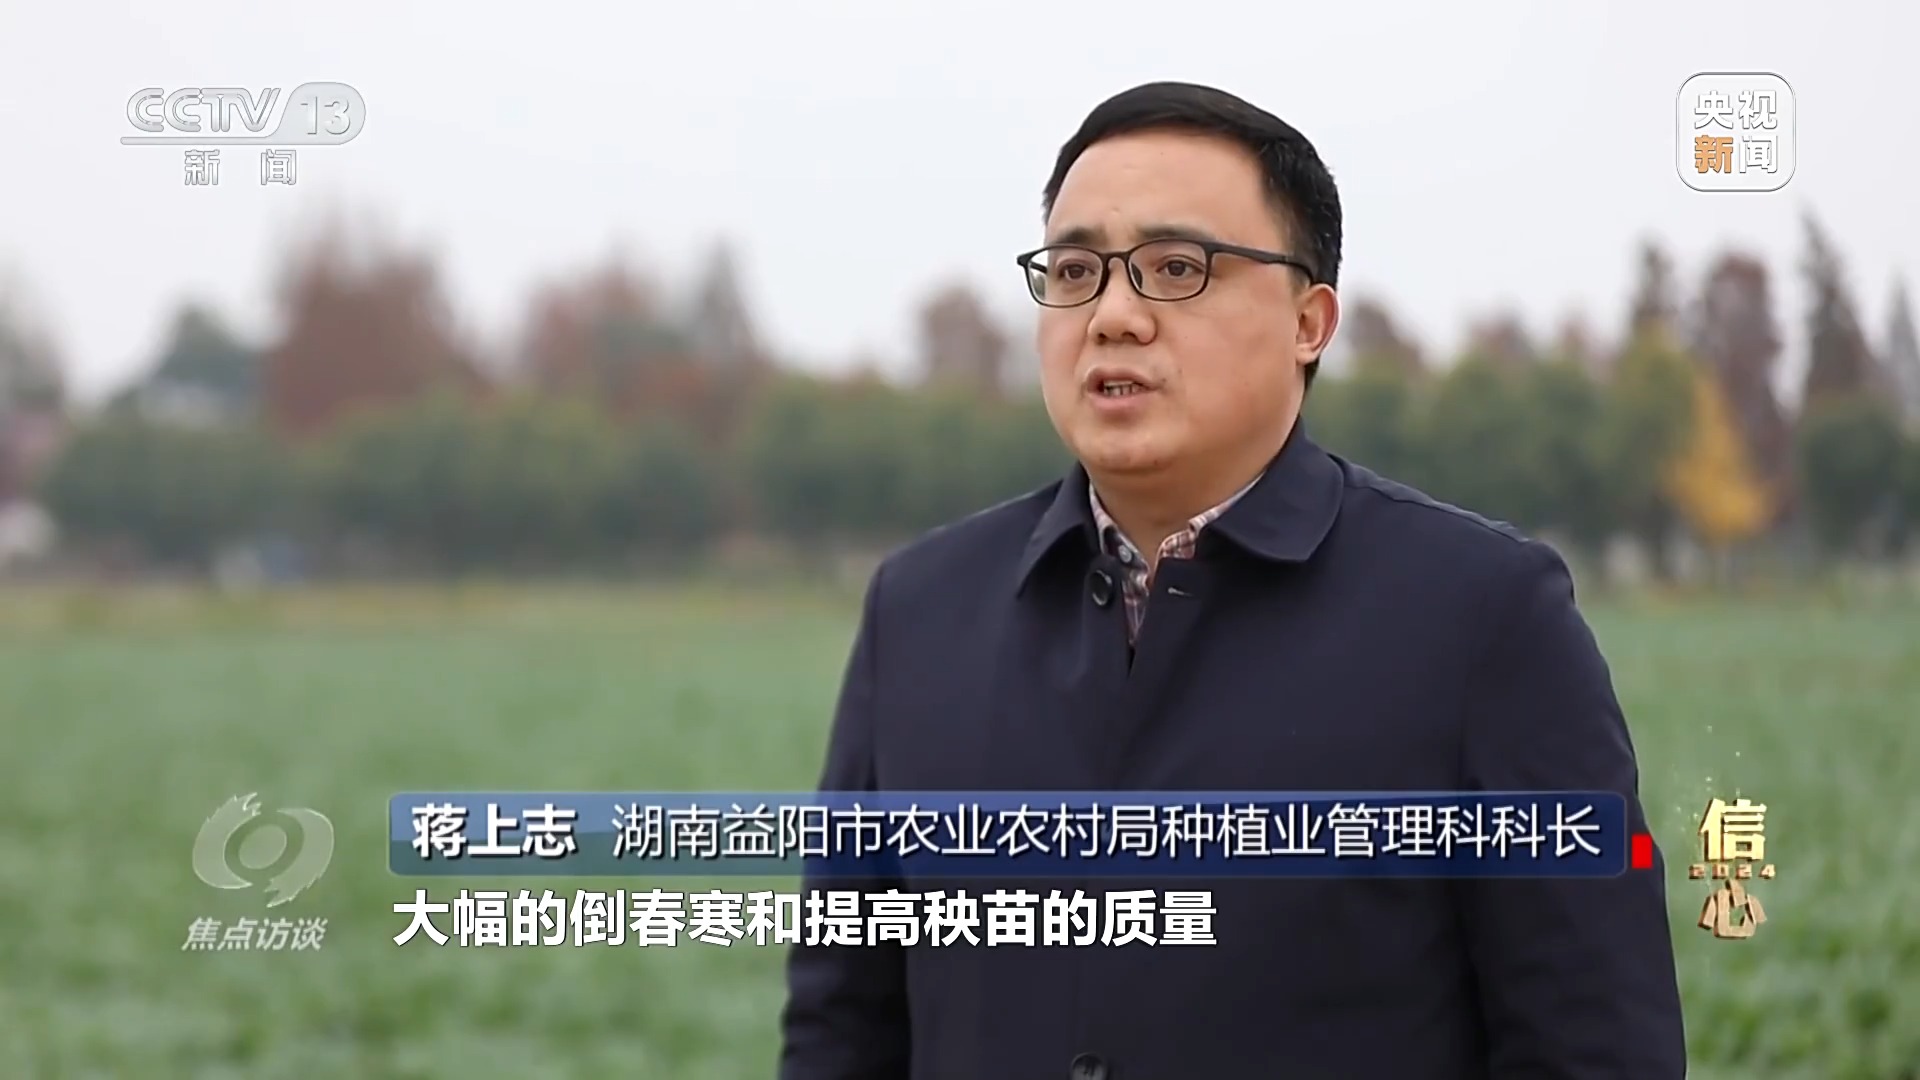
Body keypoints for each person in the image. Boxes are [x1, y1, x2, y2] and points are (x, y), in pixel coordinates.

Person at [779, 80, 1686, 1079]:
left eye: (1176, 268)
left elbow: (1594, 1048)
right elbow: (842, 1027)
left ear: (1309, 321)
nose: (1113, 316)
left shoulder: (1483, 620)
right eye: (1075, 271)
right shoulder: (919, 612)